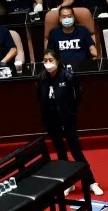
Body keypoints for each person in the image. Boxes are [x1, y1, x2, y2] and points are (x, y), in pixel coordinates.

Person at [37, 49, 103, 196]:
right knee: (61, 153)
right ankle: (69, 183)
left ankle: (91, 182)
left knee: (76, 152)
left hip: (67, 121)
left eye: (51, 60)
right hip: (51, 122)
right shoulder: (41, 78)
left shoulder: (67, 76)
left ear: (57, 61)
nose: (48, 63)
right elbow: (39, 99)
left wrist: (70, 112)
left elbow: (78, 95)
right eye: (45, 60)